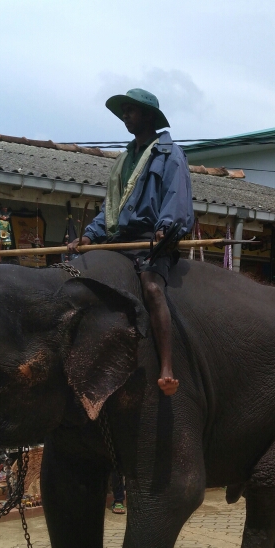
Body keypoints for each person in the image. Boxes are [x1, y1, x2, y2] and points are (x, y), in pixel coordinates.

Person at [67, 89, 193, 396]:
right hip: (116, 240)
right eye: (123, 111)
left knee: (151, 288)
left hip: (151, 239)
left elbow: (176, 196)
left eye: (131, 111)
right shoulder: (124, 160)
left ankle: (166, 367)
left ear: (148, 116)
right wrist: (89, 235)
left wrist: (165, 229)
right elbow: (111, 207)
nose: (125, 116)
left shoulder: (169, 154)